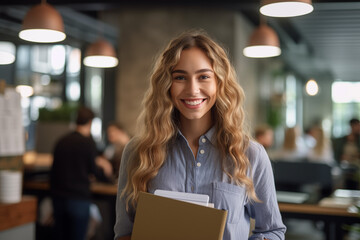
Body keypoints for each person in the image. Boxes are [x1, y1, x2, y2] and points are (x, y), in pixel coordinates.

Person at [114, 30, 286, 240]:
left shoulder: (251, 154)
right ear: (167, 85)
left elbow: (272, 231)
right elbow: (124, 233)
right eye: (180, 77)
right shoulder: (137, 152)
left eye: (204, 76)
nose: (192, 89)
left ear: (220, 82)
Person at [50, 106, 112, 240]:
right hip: (78, 198)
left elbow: (54, 171)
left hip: (58, 198)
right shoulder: (88, 143)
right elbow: (93, 171)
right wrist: (105, 171)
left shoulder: (61, 141)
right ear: (90, 122)